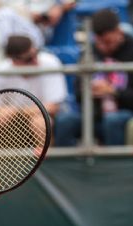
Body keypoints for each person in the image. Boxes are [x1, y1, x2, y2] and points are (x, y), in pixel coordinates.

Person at [54, 9, 133, 146]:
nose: (104, 47)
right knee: (65, 121)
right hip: (94, 115)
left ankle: (114, 166)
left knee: (113, 121)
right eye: (100, 42)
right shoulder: (89, 52)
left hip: (124, 113)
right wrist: (89, 90)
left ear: (118, 31)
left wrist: (113, 91)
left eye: (108, 42)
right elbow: (78, 94)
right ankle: (66, 167)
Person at [0, 35, 67, 118]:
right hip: (8, 120)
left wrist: (15, 112)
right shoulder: (1, 70)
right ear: (13, 60)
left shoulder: (51, 63)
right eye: (29, 59)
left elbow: (53, 107)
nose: (35, 61)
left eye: (36, 54)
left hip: (40, 116)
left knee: (39, 122)